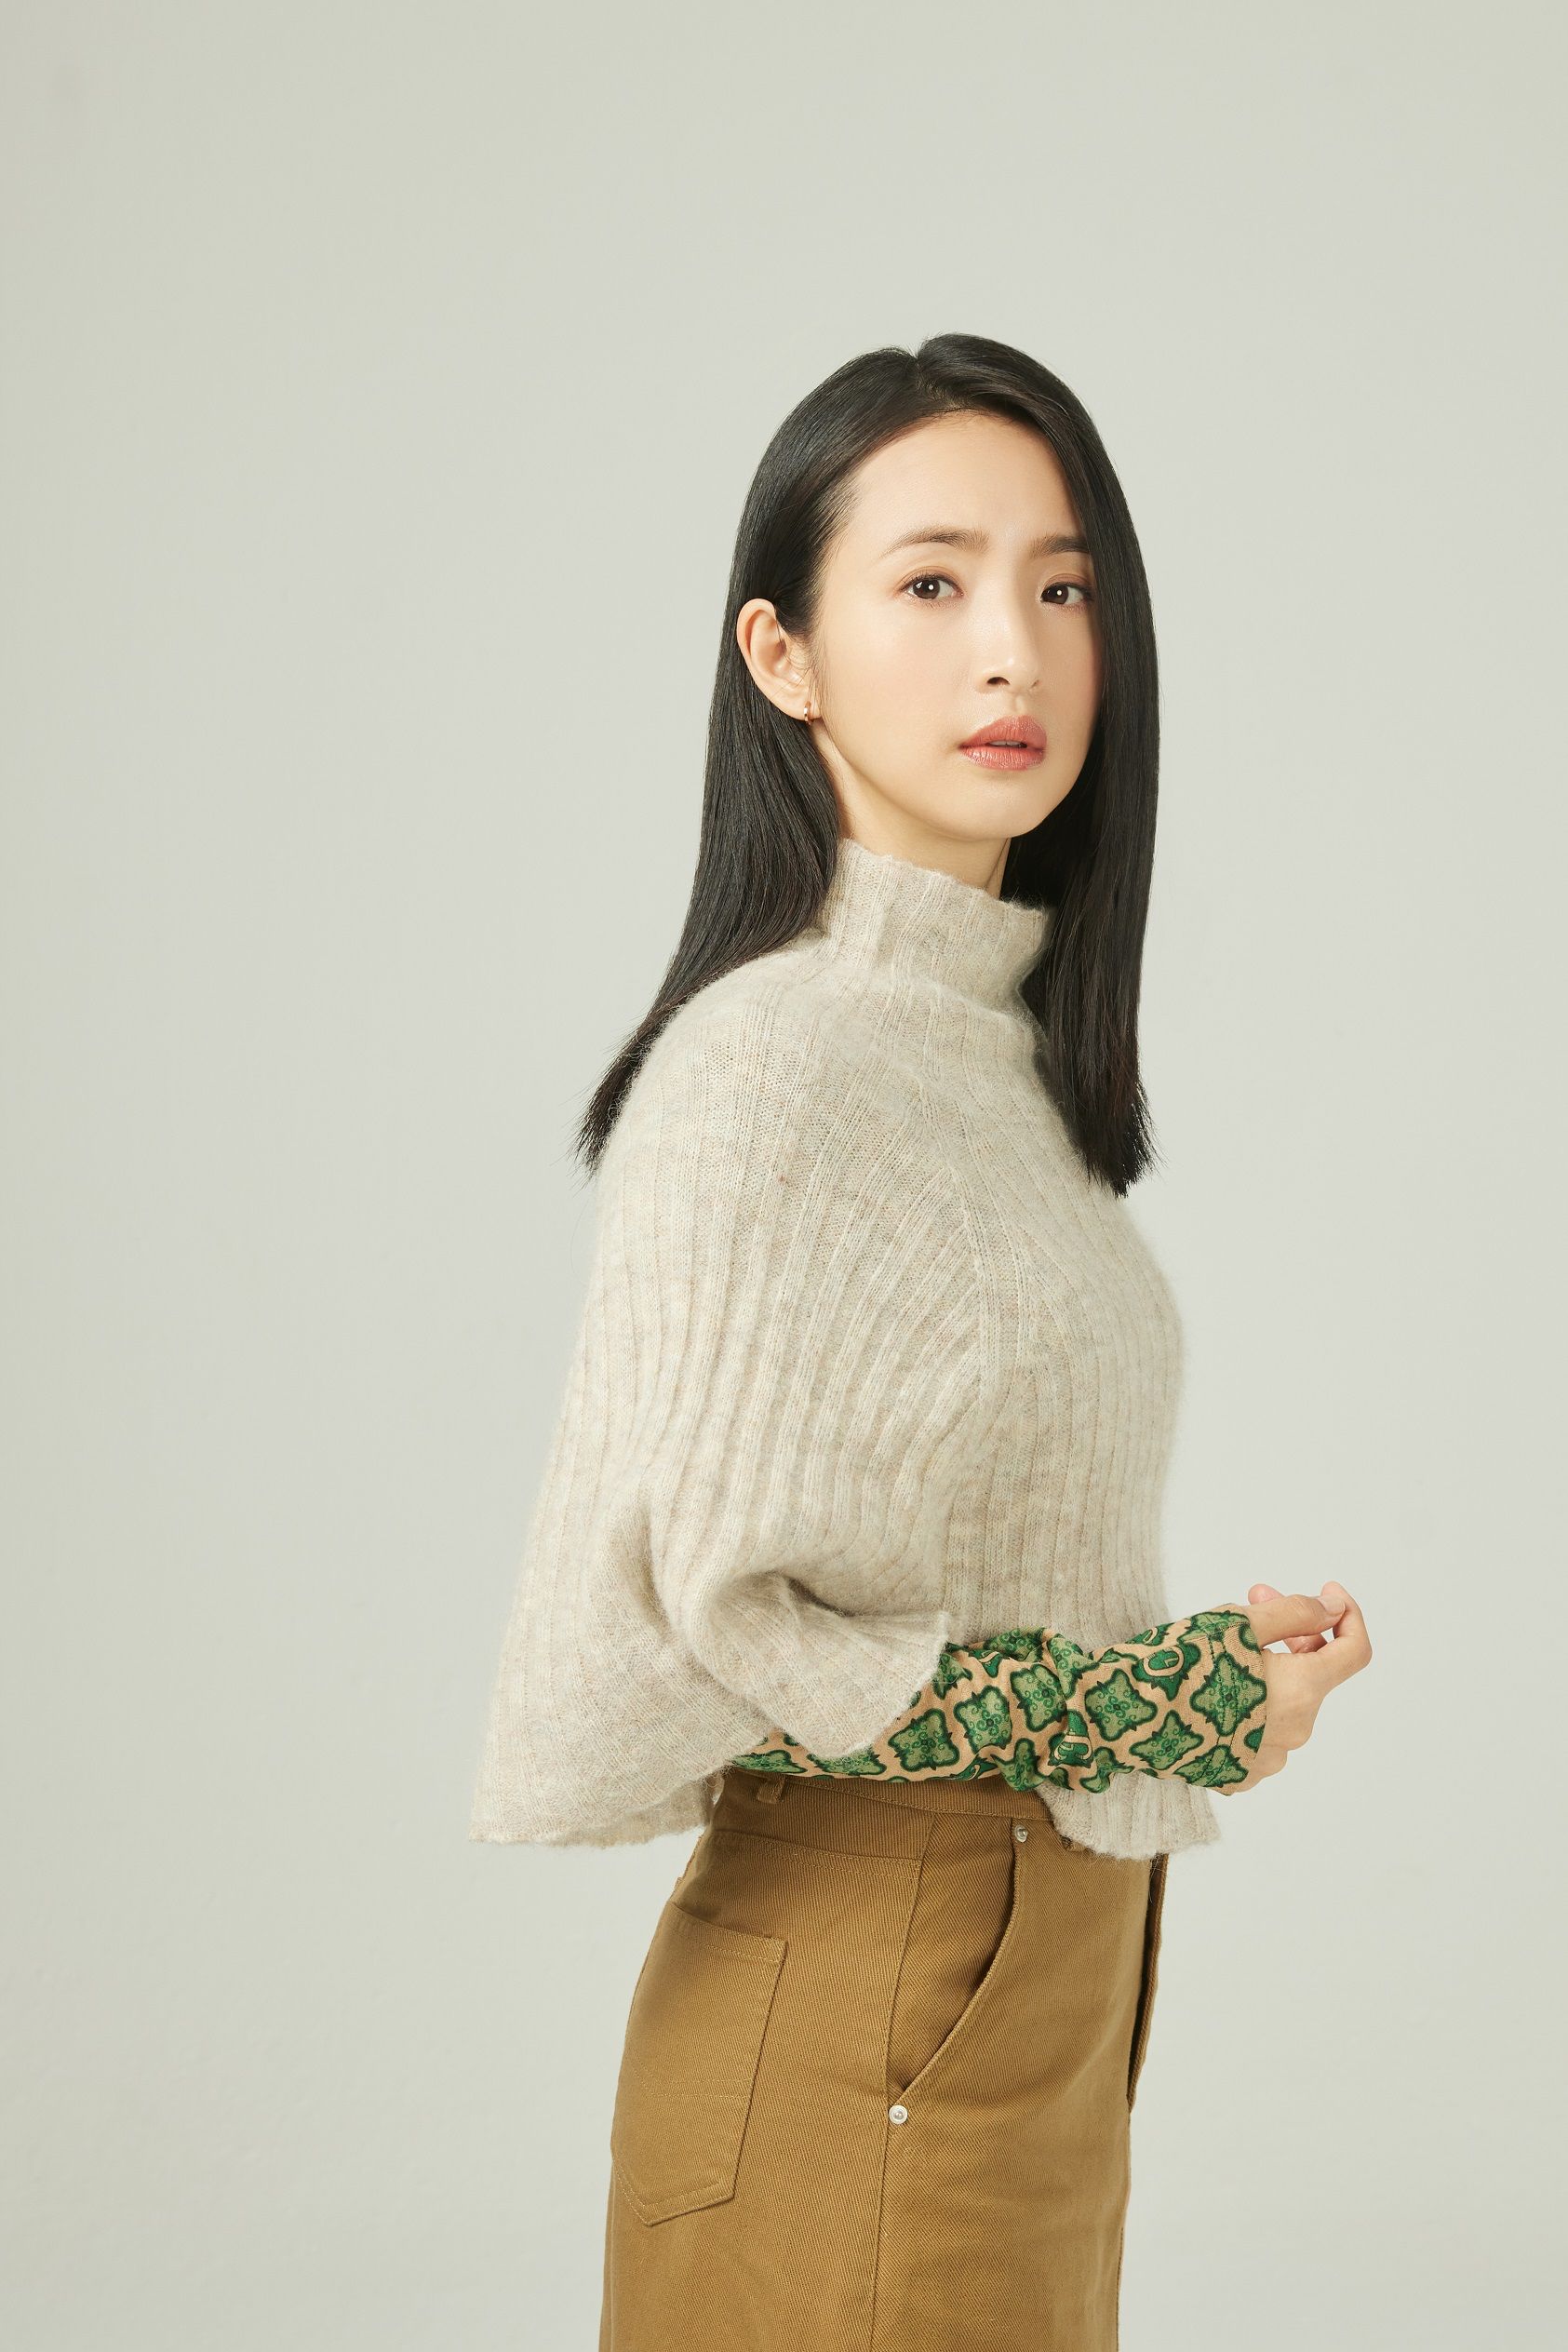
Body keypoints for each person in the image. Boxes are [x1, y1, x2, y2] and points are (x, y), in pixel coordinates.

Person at [468, 331, 1374, 2350]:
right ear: (781, 656)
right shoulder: (772, 1064)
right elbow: (732, 1637)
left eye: (1064, 586)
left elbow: (933, 1590)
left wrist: (1186, 1688)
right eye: (933, 581)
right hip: (872, 1998)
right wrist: (1168, 1702)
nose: (1012, 653)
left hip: (1017, 1997)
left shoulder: (984, 1062)